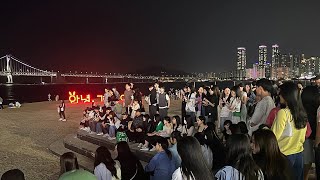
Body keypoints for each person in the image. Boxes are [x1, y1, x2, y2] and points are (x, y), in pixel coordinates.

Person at [271, 82, 307, 180]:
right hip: (299, 154)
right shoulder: (302, 112)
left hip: (284, 155)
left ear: (287, 95)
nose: (279, 95)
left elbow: (274, 136)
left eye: (281, 93)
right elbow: (303, 137)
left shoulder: (283, 113)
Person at [301, 85, 320, 180]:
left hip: (306, 138)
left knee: (306, 160)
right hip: (314, 138)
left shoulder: (302, 109)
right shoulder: (317, 108)